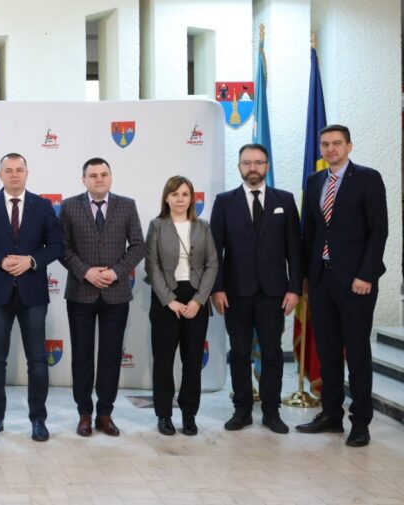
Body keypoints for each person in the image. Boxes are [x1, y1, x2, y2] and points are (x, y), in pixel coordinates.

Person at [296, 125, 388, 447]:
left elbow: (379, 231)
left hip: (356, 283)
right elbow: (309, 233)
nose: (331, 149)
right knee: (329, 352)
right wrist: (305, 276)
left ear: (349, 145)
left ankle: (360, 422)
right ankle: (331, 415)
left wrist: (367, 275)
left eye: (337, 143)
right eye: (325, 144)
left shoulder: (368, 178)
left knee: (358, 353)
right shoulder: (314, 181)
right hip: (321, 280)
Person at [0, 153, 62, 442]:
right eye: (8, 170)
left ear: (27, 173)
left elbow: (56, 245)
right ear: (0, 175)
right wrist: (0, 260)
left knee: (37, 360)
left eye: (19, 169)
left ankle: (38, 420)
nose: (14, 174)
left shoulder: (43, 206)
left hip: (33, 294)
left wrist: (32, 261)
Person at [210, 144, 302, 434]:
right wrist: (217, 289)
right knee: (239, 353)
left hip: (274, 293)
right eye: (247, 162)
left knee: (272, 353)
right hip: (235, 293)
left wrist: (294, 289)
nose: (253, 167)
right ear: (239, 166)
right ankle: (242, 410)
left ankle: (272, 412)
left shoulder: (284, 201)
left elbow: (295, 250)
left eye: (258, 162)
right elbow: (215, 251)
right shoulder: (224, 202)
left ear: (267, 167)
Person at [58, 157, 145, 437]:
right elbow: (62, 248)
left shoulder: (127, 205)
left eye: (103, 174)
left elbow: (138, 246)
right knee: (82, 356)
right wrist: (86, 272)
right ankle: (84, 413)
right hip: (80, 292)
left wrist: (116, 272)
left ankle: (105, 413)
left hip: (115, 293)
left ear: (111, 177)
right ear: (83, 179)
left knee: (110, 356)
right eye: (93, 175)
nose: (99, 179)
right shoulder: (69, 206)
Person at [144, 176, 218, 436]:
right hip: (165, 298)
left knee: (193, 360)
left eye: (185, 194)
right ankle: (164, 415)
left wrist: (198, 300)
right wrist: (169, 300)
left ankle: (189, 414)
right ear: (166, 198)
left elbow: (212, 264)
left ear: (192, 198)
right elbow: (151, 267)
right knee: (163, 360)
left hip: (196, 296)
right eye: (174, 194)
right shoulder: (157, 225)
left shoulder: (203, 226)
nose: (180, 199)